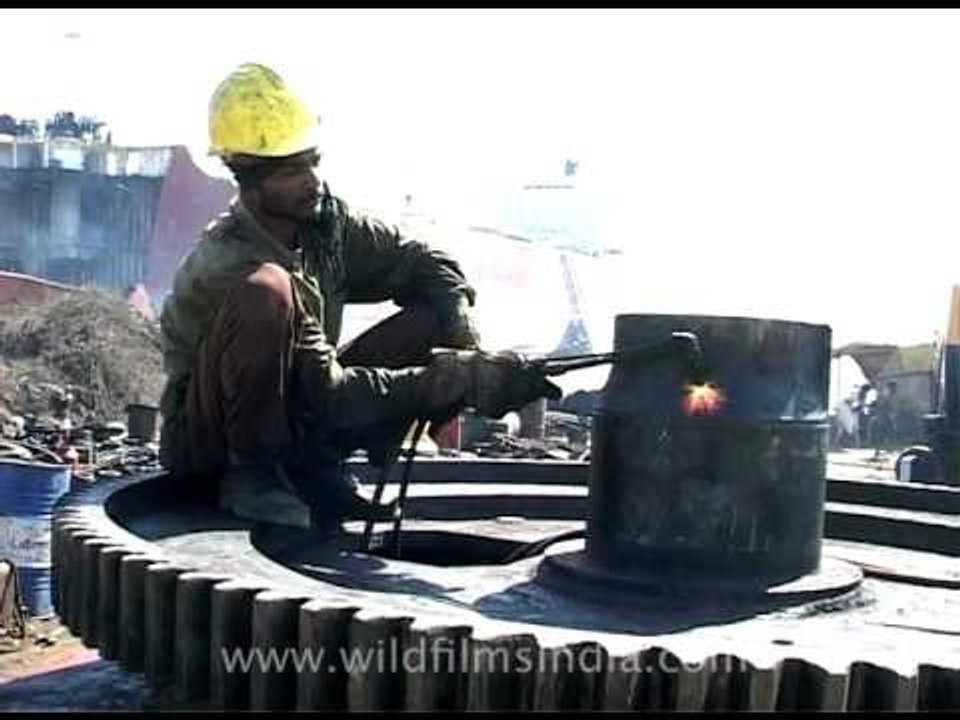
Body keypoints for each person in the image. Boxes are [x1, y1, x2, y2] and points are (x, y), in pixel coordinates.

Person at [158, 63, 560, 529]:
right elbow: (328, 393)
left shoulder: (324, 226)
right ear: (249, 178)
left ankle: (318, 473)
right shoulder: (227, 262)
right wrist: (458, 380)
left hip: (300, 412)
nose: (312, 181)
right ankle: (253, 477)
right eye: (291, 171)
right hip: (210, 445)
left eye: (312, 161)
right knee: (267, 292)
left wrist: (465, 344)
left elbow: (424, 262)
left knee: (430, 317)